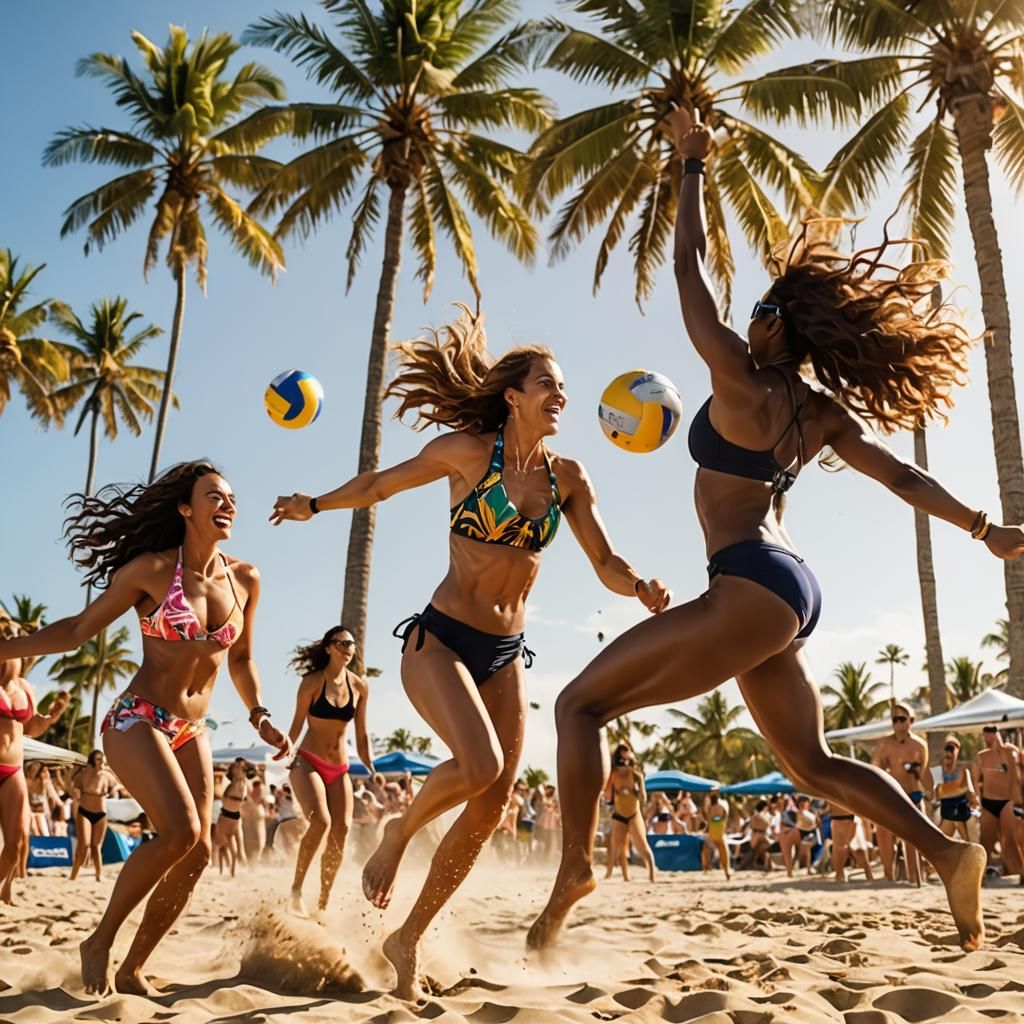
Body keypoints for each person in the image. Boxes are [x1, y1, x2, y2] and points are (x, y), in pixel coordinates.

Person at [526, 106, 1008, 954]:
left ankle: (573, 868)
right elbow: (902, 476)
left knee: (577, 706)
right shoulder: (818, 412)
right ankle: (946, 853)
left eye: (757, 308)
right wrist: (982, 528)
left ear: (777, 324)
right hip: (791, 588)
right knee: (813, 764)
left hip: (749, 581)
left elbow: (685, 273)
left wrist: (688, 166)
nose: (745, 318)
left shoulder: (742, 377)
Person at [270, 307, 669, 998]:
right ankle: (398, 835)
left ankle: (407, 936)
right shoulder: (466, 453)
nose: (561, 395)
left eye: (563, 385)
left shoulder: (568, 477)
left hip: (505, 653)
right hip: (440, 641)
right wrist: (314, 503)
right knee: (479, 765)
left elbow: (603, 559)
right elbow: (380, 486)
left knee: (491, 804)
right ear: (513, 396)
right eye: (548, 383)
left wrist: (638, 587)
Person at [0, 460, 292, 994]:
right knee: (180, 831)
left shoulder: (245, 578)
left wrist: (260, 714)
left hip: (191, 730)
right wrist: (5, 649)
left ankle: (134, 966)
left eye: (231, 498)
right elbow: (77, 631)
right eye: (214, 497)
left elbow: (243, 659)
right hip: (138, 719)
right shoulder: (154, 571)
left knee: (199, 850)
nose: (228, 505)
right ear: (185, 508)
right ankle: (100, 942)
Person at [285, 625, 372, 917]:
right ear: (328, 648)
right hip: (308, 760)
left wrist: (370, 765)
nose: (348, 648)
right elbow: (297, 725)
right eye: (342, 643)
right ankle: (296, 890)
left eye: (351, 644)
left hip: (339, 767)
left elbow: (361, 733)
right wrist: (286, 748)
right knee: (320, 822)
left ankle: (322, 901)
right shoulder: (311, 683)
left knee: (342, 829)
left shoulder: (359, 686)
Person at [0, 617, 70, 905]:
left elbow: (32, 727)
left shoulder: (26, 688)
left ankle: (6, 888)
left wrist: (54, 714)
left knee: (17, 844)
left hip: (13, 768)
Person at [872, 703, 932, 884]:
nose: (897, 723)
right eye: (894, 719)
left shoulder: (920, 745)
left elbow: (925, 775)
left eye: (902, 719)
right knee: (884, 833)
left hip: (913, 794)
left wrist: (917, 773)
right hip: (892, 796)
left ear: (911, 721)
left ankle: (915, 877)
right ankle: (888, 876)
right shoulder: (884, 744)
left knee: (914, 839)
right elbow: (876, 769)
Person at [972, 724, 1023, 878]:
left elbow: (1018, 776)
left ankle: (1019, 873)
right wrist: (978, 803)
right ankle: (978, 876)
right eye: (985, 733)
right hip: (988, 802)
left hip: (1007, 802)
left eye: (991, 732)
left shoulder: (1011, 752)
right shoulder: (981, 756)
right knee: (985, 841)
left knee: (1010, 840)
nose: (988, 736)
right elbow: (975, 781)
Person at [604, 744, 655, 882]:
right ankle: (616, 875)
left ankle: (652, 876)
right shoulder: (613, 775)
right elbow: (607, 794)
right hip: (619, 813)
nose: (625, 766)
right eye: (622, 762)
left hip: (633, 813)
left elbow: (643, 797)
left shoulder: (636, 775)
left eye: (628, 762)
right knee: (616, 847)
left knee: (642, 846)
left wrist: (634, 791)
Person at [70, 750, 117, 882]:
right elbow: (73, 785)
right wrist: (75, 791)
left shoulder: (107, 776)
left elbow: (118, 785)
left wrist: (111, 791)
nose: (101, 762)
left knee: (96, 846)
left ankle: (98, 875)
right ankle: (74, 874)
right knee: (84, 844)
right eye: (98, 759)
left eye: (102, 759)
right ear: (92, 761)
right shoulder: (84, 774)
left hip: (101, 813)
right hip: (84, 810)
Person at [937, 736, 975, 841]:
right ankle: (967, 842)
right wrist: (958, 789)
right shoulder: (937, 772)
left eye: (952, 749)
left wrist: (952, 790)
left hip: (960, 810)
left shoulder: (964, 771)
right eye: (946, 749)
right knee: (953, 816)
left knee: (956, 816)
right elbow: (937, 794)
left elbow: (971, 792)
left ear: (957, 752)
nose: (948, 753)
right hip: (944, 810)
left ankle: (967, 843)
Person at [215, 760, 247, 876]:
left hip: (234, 818)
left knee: (234, 850)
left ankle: (230, 870)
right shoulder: (232, 783)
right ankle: (226, 869)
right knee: (227, 848)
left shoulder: (242, 783)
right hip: (226, 817)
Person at [828, 802, 874, 882]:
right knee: (846, 849)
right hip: (845, 815)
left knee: (842, 849)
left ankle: (839, 876)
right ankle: (839, 876)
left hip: (843, 815)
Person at [701, 789, 730, 881]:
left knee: (718, 849)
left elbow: (708, 817)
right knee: (711, 849)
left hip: (716, 829)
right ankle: (725, 871)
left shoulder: (718, 805)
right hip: (717, 829)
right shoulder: (719, 805)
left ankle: (725, 871)